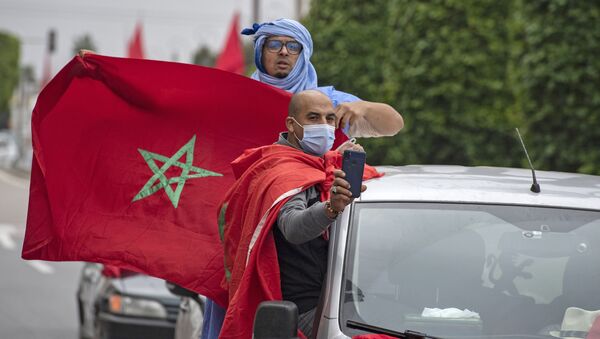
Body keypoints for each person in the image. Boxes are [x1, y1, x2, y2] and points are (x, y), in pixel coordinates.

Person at [202, 18, 404, 339]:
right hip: (250, 232)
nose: (284, 52)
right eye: (274, 44)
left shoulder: (325, 101)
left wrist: (362, 107)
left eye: (293, 46)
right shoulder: (236, 97)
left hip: (318, 255)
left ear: (304, 53)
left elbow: (393, 123)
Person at [217, 90, 369, 339]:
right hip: (301, 312)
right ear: (292, 124)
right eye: (313, 118)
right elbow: (292, 227)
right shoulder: (283, 171)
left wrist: (334, 163)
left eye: (330, 119)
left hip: (341, 298)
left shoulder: (320, 165)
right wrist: (332, 207)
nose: (324, 126)